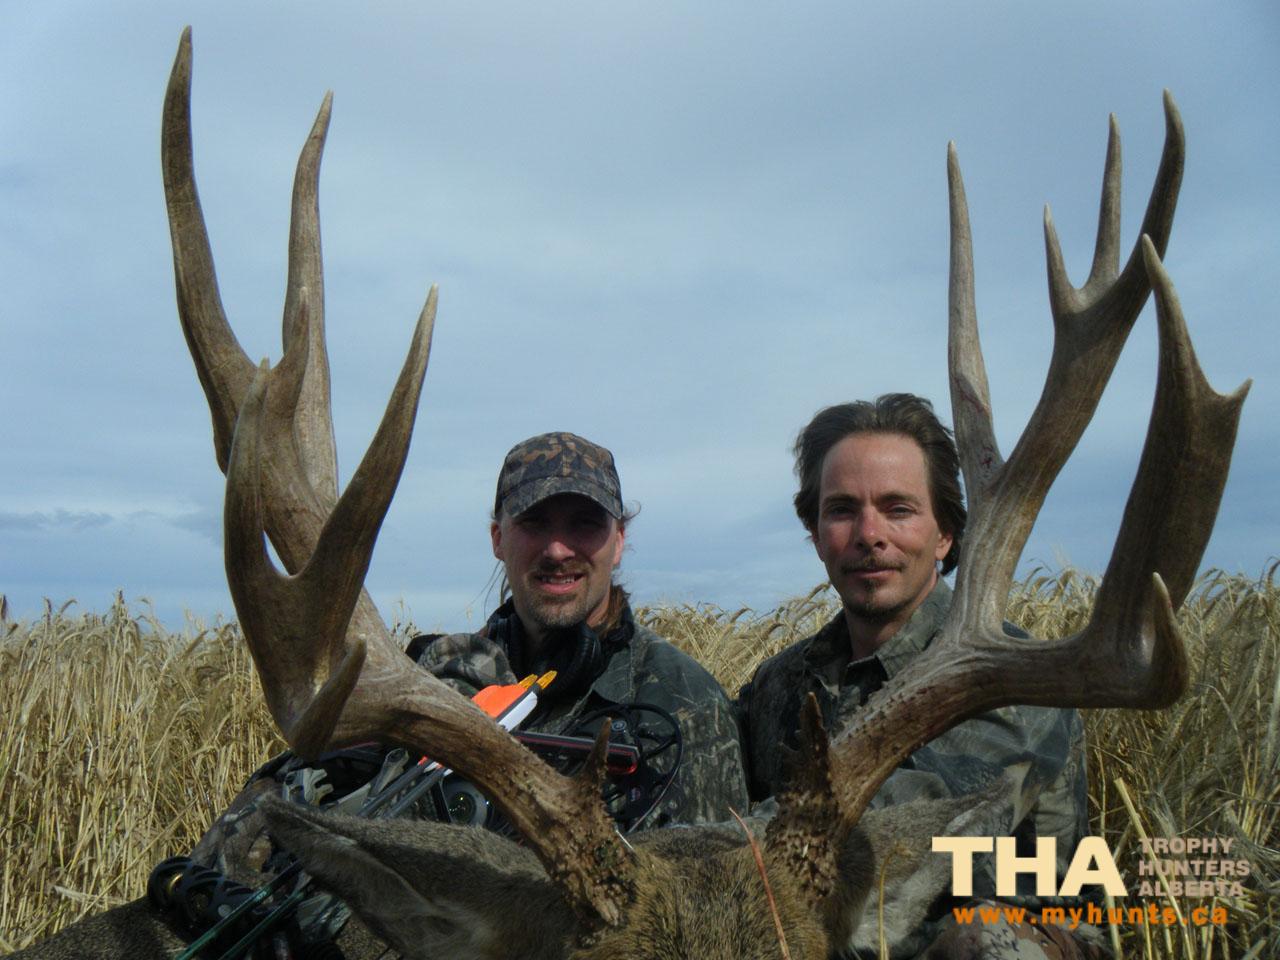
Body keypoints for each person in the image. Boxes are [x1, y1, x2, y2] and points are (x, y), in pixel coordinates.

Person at [192, 431, 748, 888]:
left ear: (619, 541)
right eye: (534, 523)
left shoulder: (681, 703)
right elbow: (295, 792)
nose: (558, 550)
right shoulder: (434, 676)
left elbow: (709, 902)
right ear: (498, 538)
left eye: (584, 523)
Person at [736, 394, 1098, 959]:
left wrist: (704, 856)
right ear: (816, 533)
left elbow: (905, 819)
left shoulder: (1009, 675)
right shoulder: (780, 682)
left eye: (898, 509)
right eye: (842, 510)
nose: (869, 534)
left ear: (945, 533)